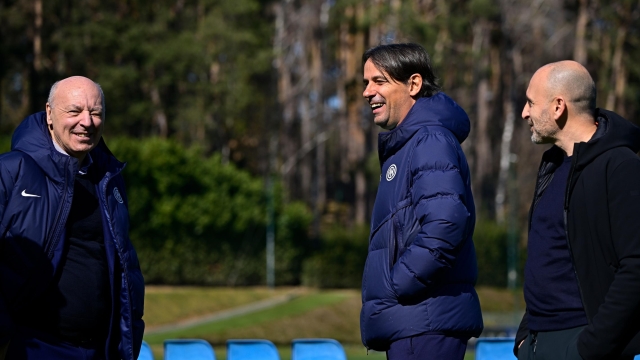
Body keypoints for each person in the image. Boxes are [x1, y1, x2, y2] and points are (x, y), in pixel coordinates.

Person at [0, 76, 145, 360]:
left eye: (95, 112)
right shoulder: (11, 171)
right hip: (32, 346)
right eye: (74, 111)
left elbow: (122, 264)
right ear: (50, 114)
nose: (87, 122)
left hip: (99, 349)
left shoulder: (109, 180)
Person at [359, 43, 483, 360]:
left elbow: (446, 222)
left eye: (379, 81)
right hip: (412, 325)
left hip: (423, 324)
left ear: (413, 84)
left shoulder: (429, 139)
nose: (367, 92)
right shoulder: (408, 143)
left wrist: (398, 284)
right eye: (366, 82)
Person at [515, 61, 640, 360]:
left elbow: (635, 266)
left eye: (531, 102)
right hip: (536, 343)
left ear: (558, 106)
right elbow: (549, 260)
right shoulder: (552, 166)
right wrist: (524, 338)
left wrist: (590, 348)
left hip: (583, 343)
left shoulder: (620, 166)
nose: (524, 112)